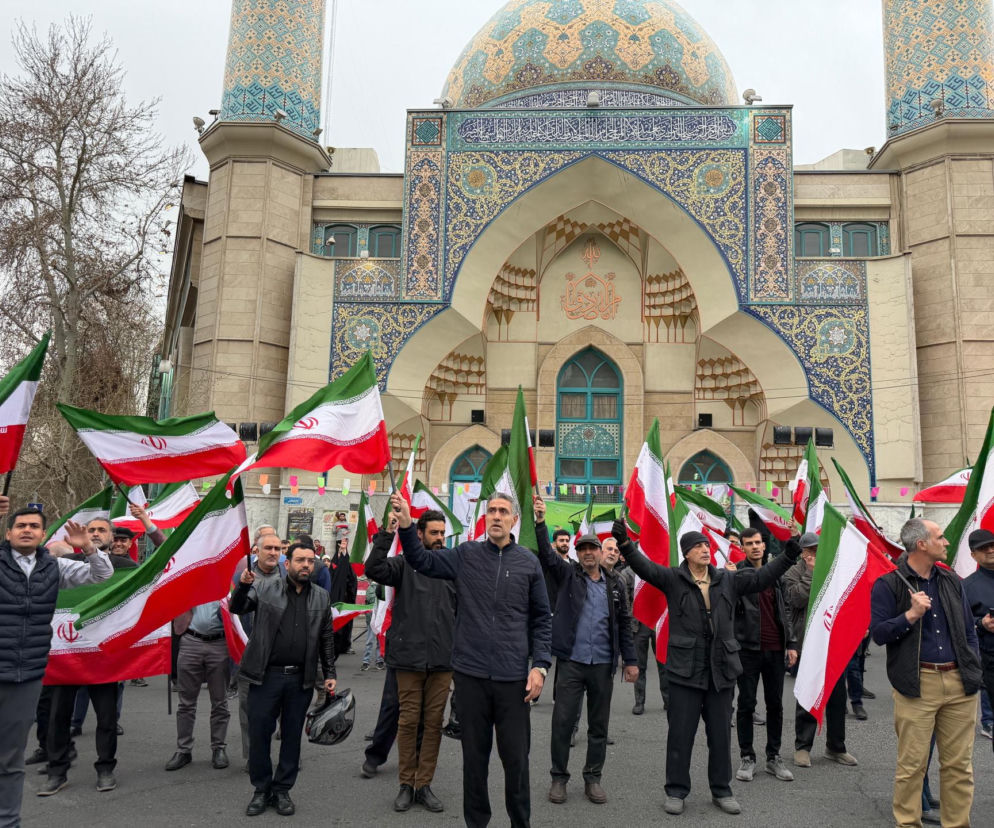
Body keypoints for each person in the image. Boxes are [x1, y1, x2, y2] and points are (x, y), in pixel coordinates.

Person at [611, 520, 800, 816]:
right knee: (680, 735)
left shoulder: (728, 579)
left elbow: (763, 576)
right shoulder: (673, 579)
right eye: (698, 546)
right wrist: (625, 544)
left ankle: (722, 790)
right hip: (685, 671)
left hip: (721, 670)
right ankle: (676, 790)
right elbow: (645, 568)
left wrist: (789, 552)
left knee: (720, 736)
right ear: (686, 552)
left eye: (706, 545)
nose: (704, 549)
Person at [392, 491, 552, 828]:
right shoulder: (466, 555)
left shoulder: (528, 562)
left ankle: (520, 822)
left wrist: (540, 666)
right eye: (491, 510)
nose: (496, 515)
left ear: (514, 520)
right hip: (470, 678)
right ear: (485, 517)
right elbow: (422, 561)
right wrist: (406, 526)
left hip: (513, 681)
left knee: (516, 763)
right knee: (474, 763)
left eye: (503, 511)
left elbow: (542, 618)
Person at [0, 508, 112, 821]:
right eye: (20, 525)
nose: (27, 530)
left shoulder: (55, 566)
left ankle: (8, 820)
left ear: (43, 535)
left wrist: (87, 547)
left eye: (34, 526)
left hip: (27, 674)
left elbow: (101, 575)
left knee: (10, 758)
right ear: (8, 533)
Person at [870, 518, 982, 828]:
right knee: (912, 766)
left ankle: (957, 824)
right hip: (918, 683)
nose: (946, 542)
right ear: (921, 544)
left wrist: (972, 666)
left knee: (959, 767)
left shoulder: (950, 580)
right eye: (940, 537)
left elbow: (968, 630)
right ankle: (908, 823)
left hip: (960, 683)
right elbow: (879, 633)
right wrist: (910, 614)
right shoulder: (889, 583)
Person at [231, 543, 337, 817]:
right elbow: (238, 607)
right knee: (259, 735)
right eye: (300, 560)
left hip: (300, 680)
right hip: (265, 676)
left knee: (291, 737)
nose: (306, 565)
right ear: (287, 564)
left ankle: (282, 790)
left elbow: (326, 637)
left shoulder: (321, 597)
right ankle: (261, 789)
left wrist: (330, 673)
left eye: (310, 561)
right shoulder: (265, 588)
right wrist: (243, 586)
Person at [538, 519, 637, 807]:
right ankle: (559, 778)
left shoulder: (615, 583)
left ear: (600, 552)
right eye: (582, 549)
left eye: (593, 548)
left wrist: (631, 661)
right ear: (577, 554)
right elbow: (547, 555)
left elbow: (623, 622)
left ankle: (593, 778)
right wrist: (541, 523)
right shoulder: (568, 575)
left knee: (598, 726)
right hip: (572, 662)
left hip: (603, 665)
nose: (588, 553)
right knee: (562, 723)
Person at [365, 509, 456, 814]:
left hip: (442, 661)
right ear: (419, 534)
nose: (440, 538)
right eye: (434, 533)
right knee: (407, 722)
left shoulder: (452, 567)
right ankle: (406, 784)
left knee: (433, 725)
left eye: (442, 533)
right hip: (408, 660)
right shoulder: (403, 565)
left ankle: (423, 785)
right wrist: (388, 533)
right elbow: (373, 568)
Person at [41, 517, 133, 797]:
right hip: (66, 653)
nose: (94, 533)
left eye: (101, 530)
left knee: (106, 718)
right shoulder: (66, 564)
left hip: (103, 655)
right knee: (58, 717)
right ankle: (57, 771)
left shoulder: (127, 568)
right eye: (90, 529)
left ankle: (105, 768)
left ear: (111, 537)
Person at [783, 532, 858, 769]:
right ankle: (802, 747)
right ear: (803, 553)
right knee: (808, 695)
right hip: (808, 642)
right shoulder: (792, 572)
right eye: (812, 551)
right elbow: (795, 599)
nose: (816, 554)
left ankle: (836, 747)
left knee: (837, 697)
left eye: (819, 549)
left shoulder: (834, 570)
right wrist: (810, 572)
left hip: (832, 642)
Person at [732, 527, 797, 784]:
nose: (755, 547)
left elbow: (786, 608)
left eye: (758, 542)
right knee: (747, 704)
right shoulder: (736, 573)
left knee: (775, 704)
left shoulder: (776, 573)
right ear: (743, 548)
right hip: (747, 650)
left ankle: (774, 757)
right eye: (749, 543)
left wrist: (791, 643)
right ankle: (747, 756)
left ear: (764, 545)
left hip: (775, 649)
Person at [233, 531, 285, 768]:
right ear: (256, 550)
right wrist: (243, 586)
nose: (273, 553)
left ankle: (287, 755)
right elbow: (235, 608)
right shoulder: (242, 575)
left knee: (285, 710)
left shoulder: (288, 576)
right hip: (250, 655)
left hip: (280, 657)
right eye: (268, 548)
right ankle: (253, 756)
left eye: (277, 548)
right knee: (250, 712)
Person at [164, 599, 231, 772]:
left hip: (220, 643)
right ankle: (183, 750)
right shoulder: (188, 582)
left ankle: (219, 748)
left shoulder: (227, 586)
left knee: (220, 701)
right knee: (186, 703)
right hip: (190, 641)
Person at [964, 528, 994, 758]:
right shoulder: (967, 587)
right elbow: (961, 623)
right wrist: (981, 623)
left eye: (993, 545)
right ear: (973, 555)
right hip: (989, 658)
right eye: (984, 548)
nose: (991, 550)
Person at [328, 536, 357, 656]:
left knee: (346, 624)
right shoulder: (333, 564)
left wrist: (344, 553)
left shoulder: (348, 565)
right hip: (335, 600)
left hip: (346, 600)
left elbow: (351, 579)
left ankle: (345, 645)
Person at [544, 529, 571, 607]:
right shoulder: (548, 563)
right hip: (552, 608)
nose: (565, 543)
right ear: (554, 544)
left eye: (567, 541)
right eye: (561, 540)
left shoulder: (575, 565)